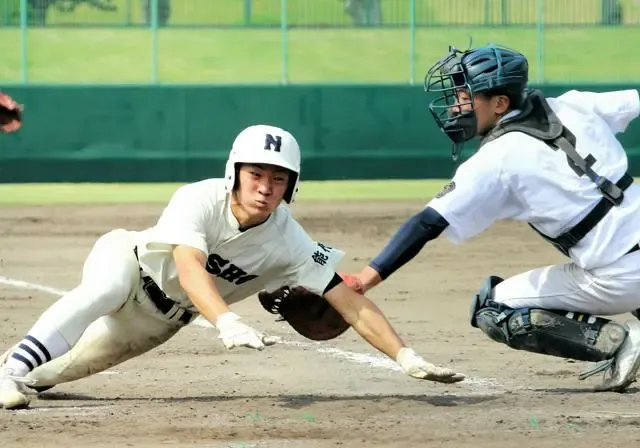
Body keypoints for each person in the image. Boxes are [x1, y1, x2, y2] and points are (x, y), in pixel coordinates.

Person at [0, 124, 465, 410]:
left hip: (162, 319)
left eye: (278, 178)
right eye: (256, 174)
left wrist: (405, 356)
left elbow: (348, 299)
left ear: (291, 186)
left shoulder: (293, 241)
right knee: (101, 290)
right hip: (129, 261)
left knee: (48, 377)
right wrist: (226, 320)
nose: (265, 186)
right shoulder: (198, 197)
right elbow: (188, 265)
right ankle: (9, 371)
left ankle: (18, 373)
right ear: (235, 172)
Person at [341, 43, 640, 393]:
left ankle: (619, 342)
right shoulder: (575, 104)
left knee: (492, 306)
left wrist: (365, 278)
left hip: (620, 276)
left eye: (465, 96)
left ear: (500, 104)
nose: (456, 106)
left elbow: (427, 223)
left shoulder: (496, 159)